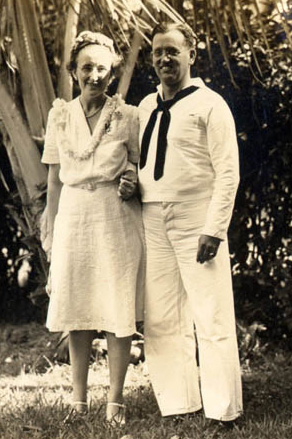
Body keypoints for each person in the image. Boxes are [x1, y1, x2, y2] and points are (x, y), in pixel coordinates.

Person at [138, 22, 242, 423]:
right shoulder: (147, 106)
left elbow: (228, 172)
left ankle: (222, 412)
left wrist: (214, 229)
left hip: (196, 217)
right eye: (158, 52)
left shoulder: (211, 104)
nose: (165, 58)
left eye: (173, 51)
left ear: (191, 54)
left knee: (211, 313)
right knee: (163, 315)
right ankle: (179, 404)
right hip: (152, 216)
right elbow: (145, 162)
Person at [41, 30, 144, 426]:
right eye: (87, 67)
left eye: (102, 68)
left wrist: (131, 179)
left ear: (112, 72)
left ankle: (115, 401)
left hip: (114, 216)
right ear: (74, 71)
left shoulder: (129, 115)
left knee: (117, 306)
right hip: (73, 216)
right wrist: (50, 230)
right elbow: (53, 179)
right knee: (78, 306)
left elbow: (137, 165)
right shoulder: (59, 115)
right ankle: (78, 400)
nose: (94, 75)